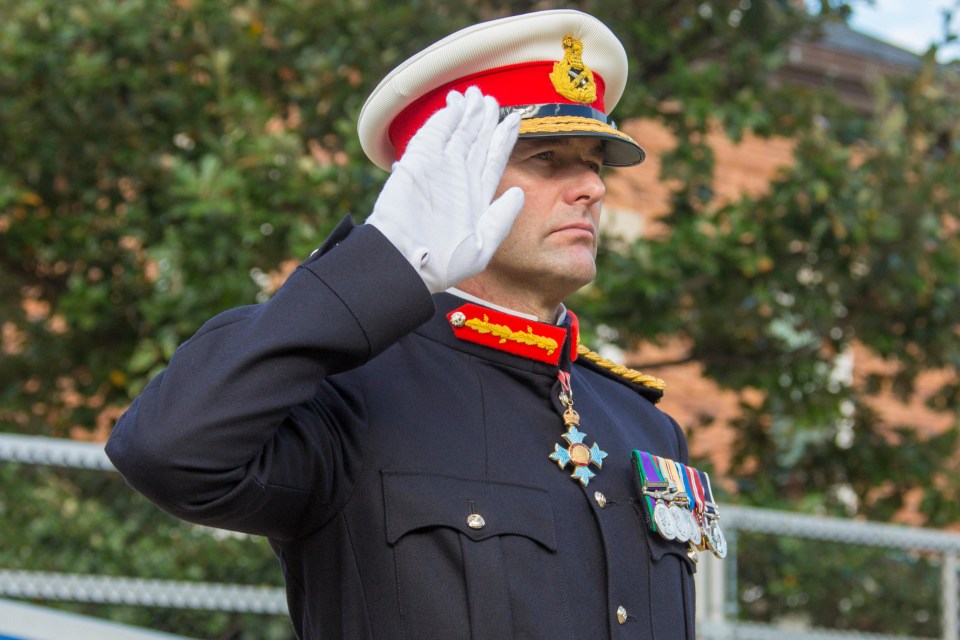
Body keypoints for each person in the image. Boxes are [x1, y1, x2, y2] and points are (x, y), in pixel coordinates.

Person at [107, 9, 724, 639]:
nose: (591, 186)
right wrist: (384, 258)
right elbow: (165, 452)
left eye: (594, 162)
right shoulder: (352, 390)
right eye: (546, 158)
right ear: (449, 173)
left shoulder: (640, 422)